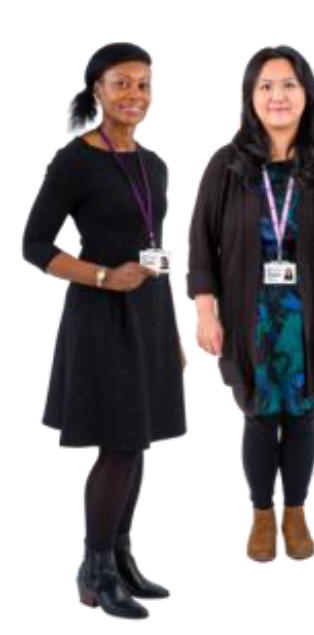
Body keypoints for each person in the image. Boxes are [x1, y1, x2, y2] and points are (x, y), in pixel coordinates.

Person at [188, 46, 314, 562]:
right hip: (250, 317)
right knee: (256, 416)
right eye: (266, 85)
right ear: (251, 98)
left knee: (303, 418)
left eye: (289, 84)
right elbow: (202, 246)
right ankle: (261, 515)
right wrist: (207, 314)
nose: (278, 95)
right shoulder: (226, 166)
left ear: (307, 94)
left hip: (309, 315)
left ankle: (296, 512)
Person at [22, 43, 186, 619]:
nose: (133, 95)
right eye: (121, 83)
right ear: (96, 89)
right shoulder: (74, 160)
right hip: (99, 316)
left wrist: (171, 333)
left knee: (137, 443)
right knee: (118, 446)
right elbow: (33, 246)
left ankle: (120, 558)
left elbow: (157, 248)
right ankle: (94, 568)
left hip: (149, 314)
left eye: (143, 84)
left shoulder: (154, 163)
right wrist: (100, 275)